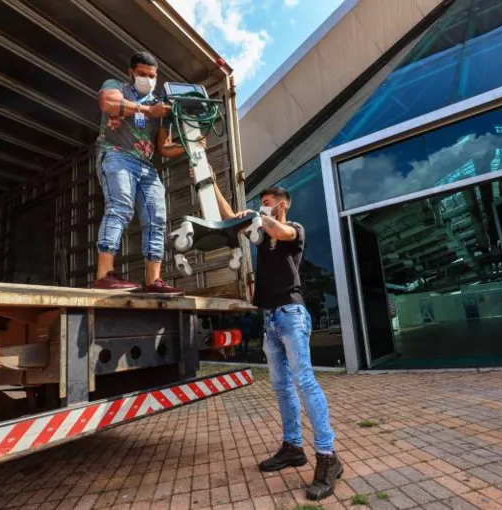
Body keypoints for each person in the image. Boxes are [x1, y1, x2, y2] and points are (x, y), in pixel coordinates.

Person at [211, 179, 341, 501]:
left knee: (305, 381)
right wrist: (212, 184)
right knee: (281, 386)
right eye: (261, 201)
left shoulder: (294, 229)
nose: (263, 204)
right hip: (269, 318)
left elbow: (279, 231)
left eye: (267, 200)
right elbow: (231, 218)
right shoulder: (261, 234)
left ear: (282, 204)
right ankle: (293, 447)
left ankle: (328, 458)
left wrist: (259, 215)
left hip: (291, 314)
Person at [94, 51, 193, 293]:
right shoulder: (116, 87)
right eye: (141, 74)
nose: (147, 79)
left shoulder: (161, 107)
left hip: (146, 166)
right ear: (131, 73)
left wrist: (191, 145)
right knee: (120, 207)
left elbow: (163, 148)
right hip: (117, 153)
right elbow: (108, 103)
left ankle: (153, 281)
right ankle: (104, 276)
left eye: (152, 76)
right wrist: (148, 111)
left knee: (156, 219)